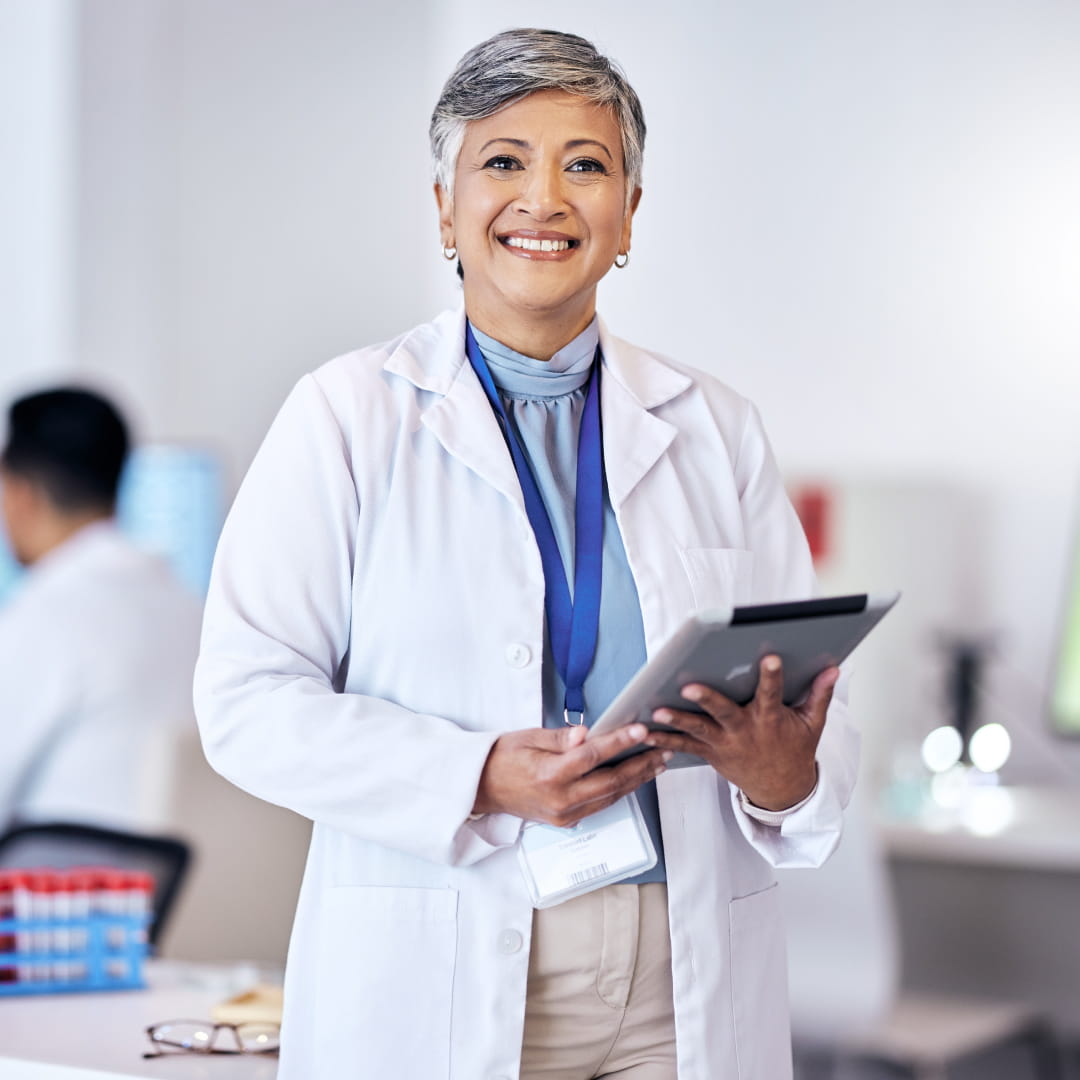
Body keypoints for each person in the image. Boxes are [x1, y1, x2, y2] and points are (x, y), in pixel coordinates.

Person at [194, 27, 859, 1080]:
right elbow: (245, 704)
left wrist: (787, 776)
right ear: (444, 207)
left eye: (585, 166)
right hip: (450, 965)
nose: (544, 199)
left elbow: (813, 697)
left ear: (629, 214)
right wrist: (479, 775)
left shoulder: (714, 425)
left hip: (683, 978)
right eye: (503, 162)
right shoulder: (345, 417)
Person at [0, 387, 202, 832]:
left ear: (20, 494)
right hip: (202, 896)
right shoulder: (194, 613)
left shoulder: (41, 621)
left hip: (63, 894)